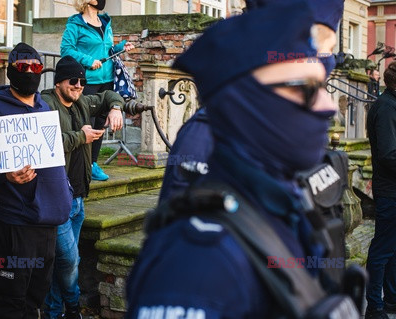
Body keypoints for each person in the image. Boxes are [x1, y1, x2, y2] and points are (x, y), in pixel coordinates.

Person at [126, 1, 360, 318]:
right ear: (247, 100)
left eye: (321, 86)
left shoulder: (282, 201)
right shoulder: (197, 262)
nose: (328, 107)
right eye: (305, 88)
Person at [157, 0, 343, 203]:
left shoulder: (290, 128)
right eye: (317, 44)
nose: (324, 60)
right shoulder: (207, 135)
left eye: (330, 50)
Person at [0, 43, 73, 319]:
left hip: (47, 220)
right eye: (23, 68)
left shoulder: (44, 107)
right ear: (12, 71)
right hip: (14, 221)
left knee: (37, 295)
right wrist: (2, 173)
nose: (30, 72)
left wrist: (66, 189)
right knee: (8, 296)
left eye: (36, 67)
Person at [41, 56, 124, 319]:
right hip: (57, 200)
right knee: (69, 261)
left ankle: (55, 312)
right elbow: (45, 144)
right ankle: (74, 307)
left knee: (62, 262)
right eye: (73, 81)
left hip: (78, 197)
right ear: (58, 83)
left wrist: (116, 108)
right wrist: (82, 137)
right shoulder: (44, 105)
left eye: (82, 81)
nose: (78, 86)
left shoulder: (83, 102)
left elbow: (110, 94)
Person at [60, 0, 134, 181]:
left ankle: (92, 164)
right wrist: (87, 60)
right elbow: (66, 49)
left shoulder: (105, 22)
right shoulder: (75, 24)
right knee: (86, 122)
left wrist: (121, 47)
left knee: (100, 124)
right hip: (87, 81)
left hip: (107, 80)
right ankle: (79, 165)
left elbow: (107, 49)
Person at [365, 61, 396, 319]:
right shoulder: (386, 108)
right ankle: (374, 305)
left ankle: (391, 301)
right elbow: (388, 155)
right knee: (383, 249)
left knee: (393, 249)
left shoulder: (391, 105)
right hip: (390, 191)